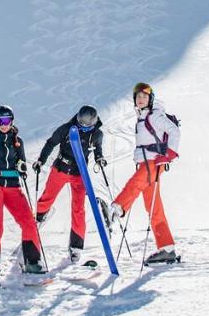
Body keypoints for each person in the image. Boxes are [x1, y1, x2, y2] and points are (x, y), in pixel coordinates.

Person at [108, 83, 181, 264]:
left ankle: (117, 207)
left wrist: (169, 154)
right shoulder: (142, 118)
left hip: (153, 162)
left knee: (134, 185)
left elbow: (174, 131)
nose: (141, 99)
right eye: (138, 97)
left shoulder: (155, 115)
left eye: (144, 97)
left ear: (151, 99)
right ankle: (167, 248)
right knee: (153, 206)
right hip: (147, 161)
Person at [0, 105, 44, 274]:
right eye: (0, 121)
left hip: (13, 186)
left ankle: (32, 261)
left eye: (6, 121)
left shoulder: (17, 142)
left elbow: (21, 161)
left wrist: (22, 167)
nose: (3, 125)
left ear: (12, 121)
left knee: (29, 222)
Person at [33, 105, 106, 263]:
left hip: (79, 174)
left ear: (94, 122)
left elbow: (98, 148)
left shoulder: (97, 134)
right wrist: (41, 160)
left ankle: (76, 247)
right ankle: (39, 217)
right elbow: (51, 142)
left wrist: (100, 158)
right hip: (60, 168)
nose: (83, 125)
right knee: (47, 197)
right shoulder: (67, 129)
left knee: (78, 209)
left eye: (87, 123)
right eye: (81, 120)